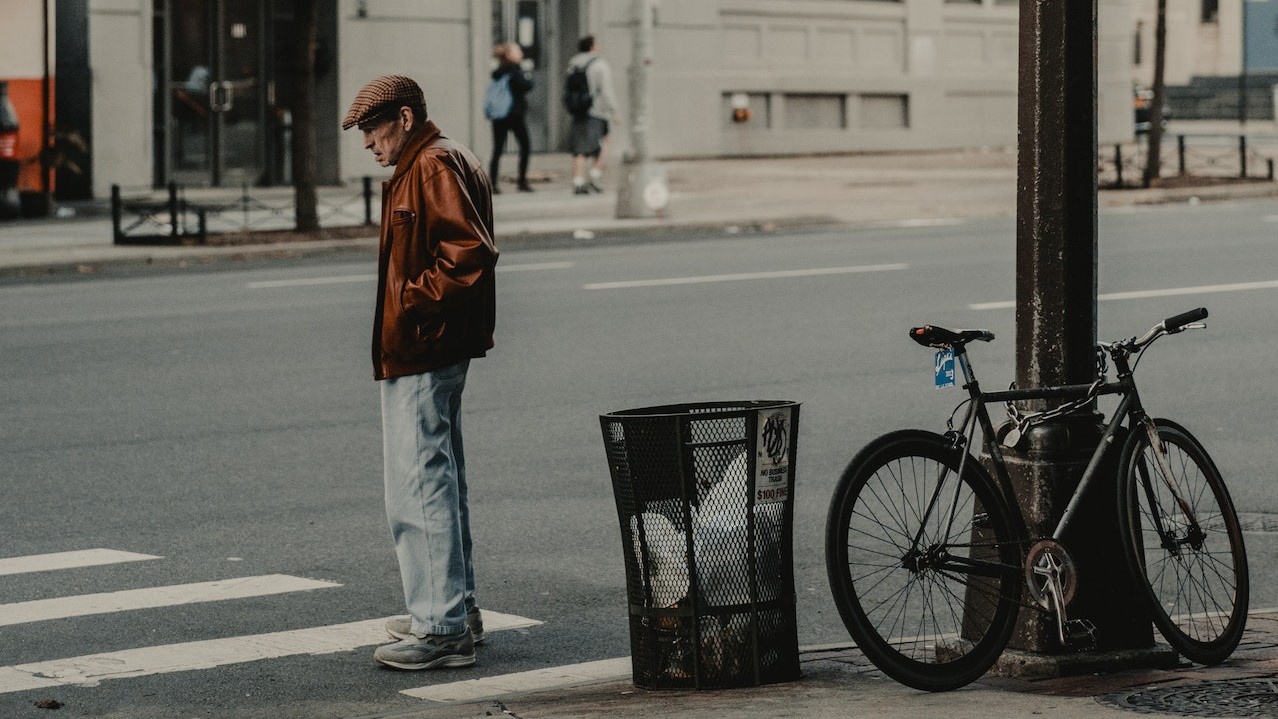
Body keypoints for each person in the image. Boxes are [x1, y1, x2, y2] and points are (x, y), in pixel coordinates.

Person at [341, 74, 498, 671]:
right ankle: (453, 611)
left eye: (373, 129)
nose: (368, 143)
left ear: (404, 119)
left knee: (419, 484)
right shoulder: (438, 159)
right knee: (439, 478)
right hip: (434, 346)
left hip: (424, 348)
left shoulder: (430, 166)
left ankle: (440, 627)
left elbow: (468, 256)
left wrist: (410, 303)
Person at [566, 35, 618, 195]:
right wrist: (614, 111)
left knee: (580, 149)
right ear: (592, 46)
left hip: (579, 109)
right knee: (605, 141)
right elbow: (606, 90)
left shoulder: (573, 63)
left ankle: (578, 181)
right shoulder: (600, 65)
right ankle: (595, 174)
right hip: (597, 110)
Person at [488, 42, 535, 193]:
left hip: (499, 115)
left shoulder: (499, 71)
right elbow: (526, 85)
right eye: (517, 51)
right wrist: (528, 75)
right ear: (509, 55)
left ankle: (493, 184)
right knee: (525, 147)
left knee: (497, 149)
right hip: (515, 114)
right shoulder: (514, 70)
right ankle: (522, 182)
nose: (520, 53)